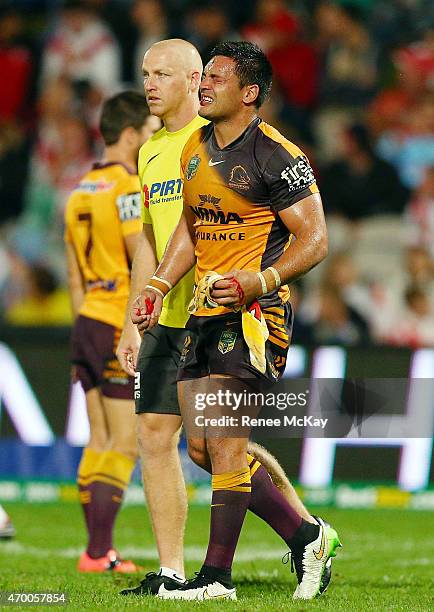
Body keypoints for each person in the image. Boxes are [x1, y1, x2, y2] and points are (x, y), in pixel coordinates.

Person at [129, 41, 340, 600]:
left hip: (253, 313)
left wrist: (259, 280)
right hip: (203, 307)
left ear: (248, 93)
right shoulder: (195, 146)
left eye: (216, 79)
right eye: (205, 78)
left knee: (223, 442)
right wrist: (156, 285)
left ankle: (215, 579)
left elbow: (315, 239)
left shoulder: (277, 155)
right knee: (202, 449)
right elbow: (191, 228)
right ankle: (306, 534)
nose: (205, 86)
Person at [64, 91, 160, 573]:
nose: (151, 140)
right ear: (130, 134)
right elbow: (134, 250)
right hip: (115, 320)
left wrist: (87, 323)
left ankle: (95, 549)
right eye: (147, 132)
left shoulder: (80, 189)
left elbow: (74, 276)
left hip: (85, 321)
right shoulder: (127, 186)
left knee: (98, 439)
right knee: (123, 442)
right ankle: (100, 551)